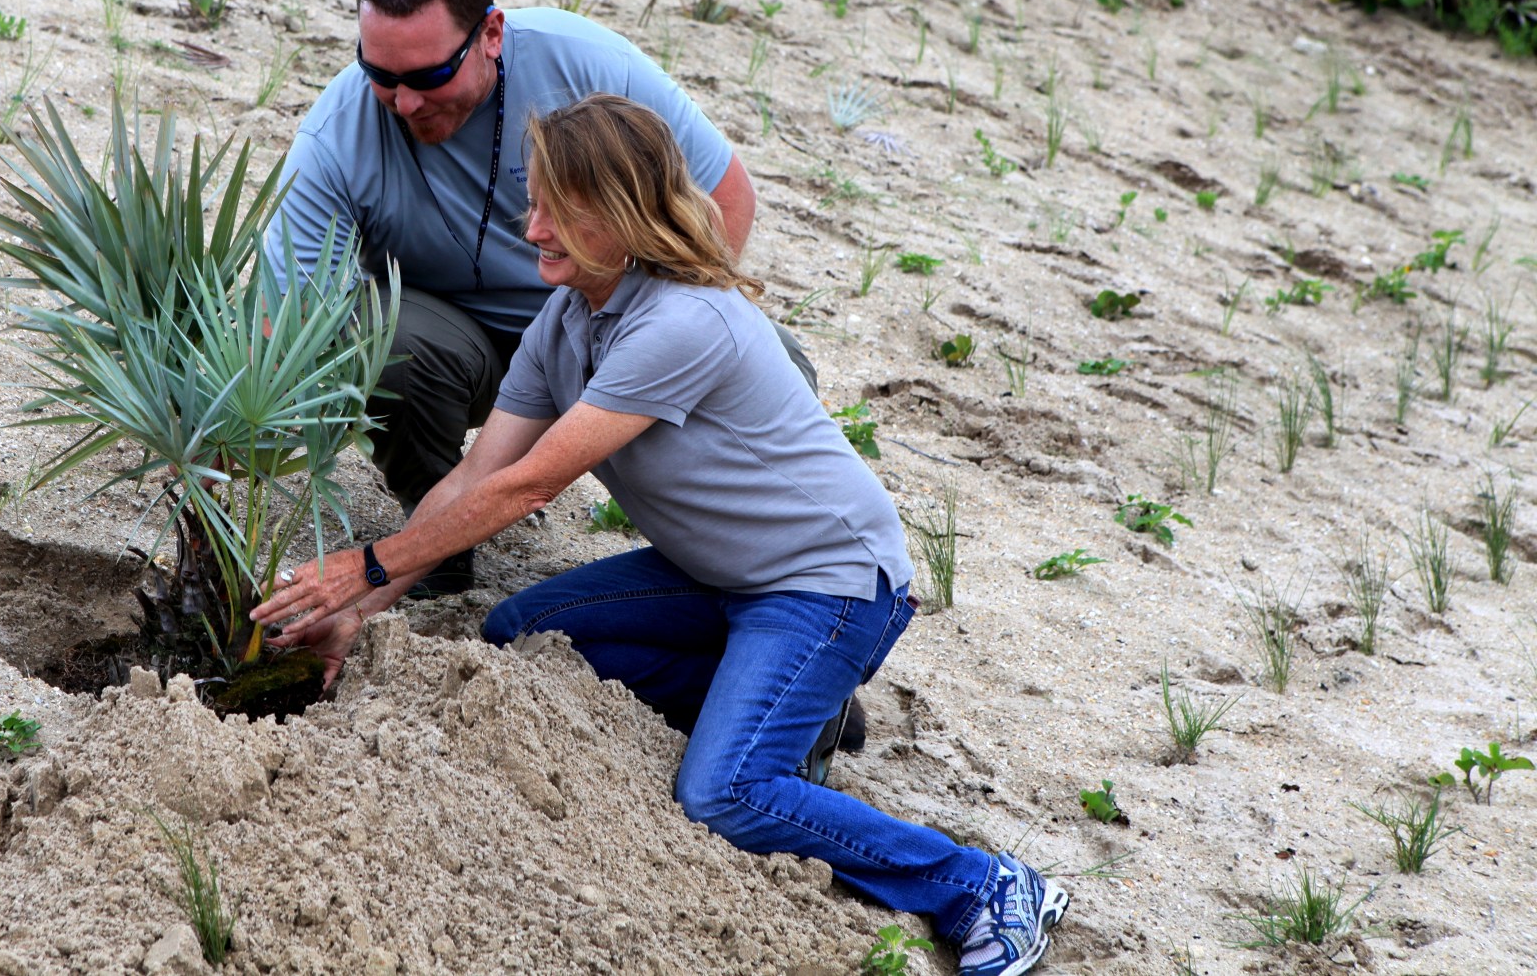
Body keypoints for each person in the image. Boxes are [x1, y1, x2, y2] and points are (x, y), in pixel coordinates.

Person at [252, 96, 1069, 976]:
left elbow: (531, 484)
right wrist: (361, 607)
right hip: (718, 579)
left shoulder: (682, 320)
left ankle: (984, 883)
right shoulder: (565, 323)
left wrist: (360, 565)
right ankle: (790, 705)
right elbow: (472, 477)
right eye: (532, 202)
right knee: (518, 634)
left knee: (725, 793)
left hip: (831, 586)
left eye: (558, 211)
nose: (532, 228)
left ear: (623, 213)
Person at [262, 0, 814, 597]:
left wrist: (653, 338)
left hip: (604, 328)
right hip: (457, 348)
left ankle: (735, 579)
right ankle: (433, 554)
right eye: (381, 75)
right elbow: (285, 320)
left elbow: (726, 193)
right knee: (379, 334)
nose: (405, 102)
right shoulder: (337, 133)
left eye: (430, 75)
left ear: (491, 33)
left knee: (775, 361)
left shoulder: (585, 64)